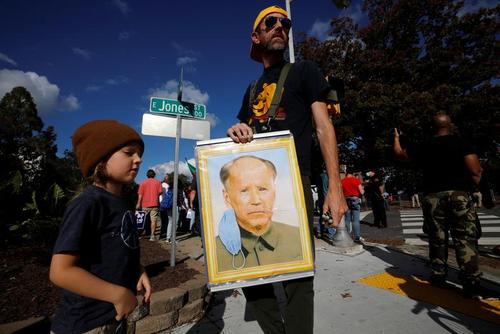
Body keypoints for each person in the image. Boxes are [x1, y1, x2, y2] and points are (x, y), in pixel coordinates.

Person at [226, 5, 347, 334]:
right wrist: (236, 131)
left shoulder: (304, 70)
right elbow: (242, 132)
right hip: (254, 187)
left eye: (285, 22)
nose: (280, 26)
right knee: (251, 272)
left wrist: (335, 189)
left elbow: (323, 127)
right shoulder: (251, 90)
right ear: (257, 35)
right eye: (271, 22)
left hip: (294, 183)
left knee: (297, 275)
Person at [49, 120, 152, 333]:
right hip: (85, 324)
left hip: (114, 317)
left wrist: (137, 270)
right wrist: (117, 295)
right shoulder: (88, 204)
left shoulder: (122, 202)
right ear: (100, 159)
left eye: (139, 154)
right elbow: (60, 271)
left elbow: (118, 247)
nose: (138, 159)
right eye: (128, 153)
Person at [393, 113, 483, 298]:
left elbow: (400, 155)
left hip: (432, 196)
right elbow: (475, 171)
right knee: (465, 237)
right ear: (450, 125)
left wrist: (396, 139)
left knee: (437, 237)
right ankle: (470, 279)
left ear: (432, 127)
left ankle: (439, 274)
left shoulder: (423, 145)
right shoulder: (462, 142)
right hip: (458, 194)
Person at [216, 156, 302, 271]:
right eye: (244, 190)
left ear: (274, 191)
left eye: (262, 189)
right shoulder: (215, 251)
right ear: (227, 198)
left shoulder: (298, 237)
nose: (256, 200)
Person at [136, 169, 162, 241]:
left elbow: (140, 195)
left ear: (147, 175)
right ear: (154, 175)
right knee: (153, 220)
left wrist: (138, 203)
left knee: (142, 220)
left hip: (145, 204)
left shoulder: (143, 182)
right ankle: (152, 236)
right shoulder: (158, 182)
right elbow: (160, 192)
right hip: (155, 203)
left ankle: (139, 234)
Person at [341, 169, 365, 242]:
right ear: (353, 173)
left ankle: (347, 236)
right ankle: (357, 237)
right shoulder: (356, 180)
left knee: (347, 219)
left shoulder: (342, 181)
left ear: (346, 173)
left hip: (346, 200)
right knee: (355, 220)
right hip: (355, 199)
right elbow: (362, 192)